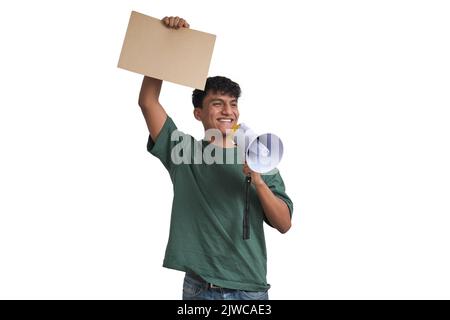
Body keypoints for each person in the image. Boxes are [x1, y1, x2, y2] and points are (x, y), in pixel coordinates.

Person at [138, 16, 293, 300]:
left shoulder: (260, 155)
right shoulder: (182, 151)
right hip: (200, 289)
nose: (227, 111)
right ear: (198, 112)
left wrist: (257, 180)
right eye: (217, 103)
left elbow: (284, 224)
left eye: (233, 104)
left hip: (251, 290)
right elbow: (148, 102)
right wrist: (166, 42)